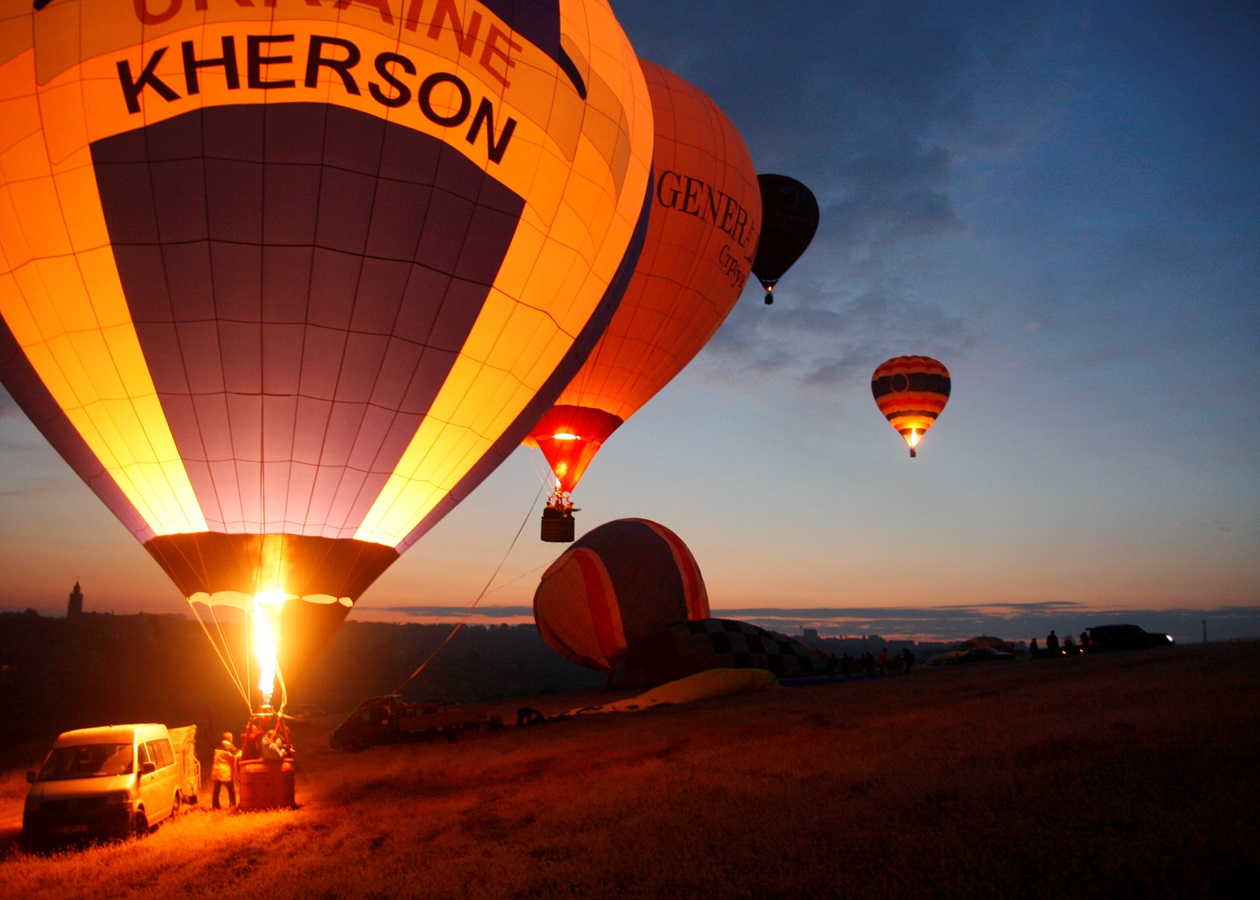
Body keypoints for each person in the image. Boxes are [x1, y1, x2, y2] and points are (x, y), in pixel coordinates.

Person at [211, 733, 240, 810]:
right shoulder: (229, 747)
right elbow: (239, 754)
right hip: (225, 772)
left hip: (216, 772)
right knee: (231, 790)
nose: (232, 739)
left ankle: (215, 806)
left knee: (216, 791)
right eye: (232, 737)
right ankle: (232, 805)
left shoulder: (219, 746)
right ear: (229, 738)